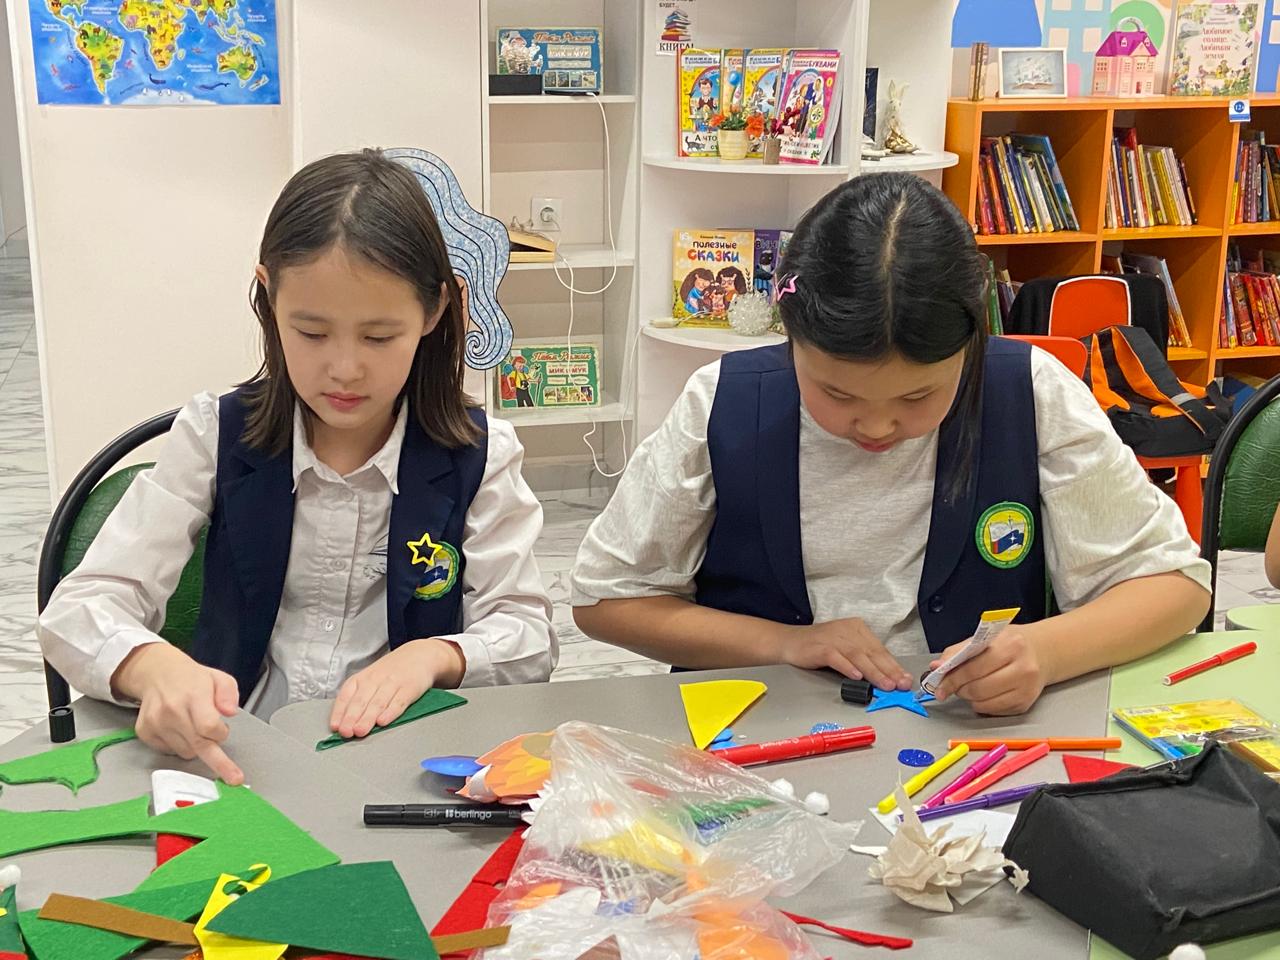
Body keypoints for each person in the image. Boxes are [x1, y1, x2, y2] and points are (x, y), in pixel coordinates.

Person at [572, 173, 1209, 716]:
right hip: (760, 737)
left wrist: (1047, 650)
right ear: (789, 338)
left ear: (971, 346)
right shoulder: (724, 403)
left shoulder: (1029, 393)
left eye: (917, 397)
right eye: (837, 393)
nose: (877, 428)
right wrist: (784, 644)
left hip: (970, 743)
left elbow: (1176, 587)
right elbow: (606, 599)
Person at [39, 149, 557, 782]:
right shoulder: (213, 434)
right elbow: (81, 607)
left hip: (404, 763)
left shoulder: (480, 455)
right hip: (236, 754)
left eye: (379, 337)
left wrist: (436, 656)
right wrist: (150, 667)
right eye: (311, 333)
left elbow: (529, 638)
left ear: (434, 311)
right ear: (268, 297)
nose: (344, 369)